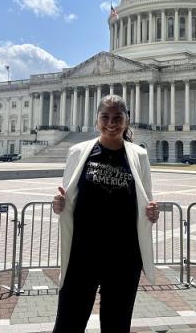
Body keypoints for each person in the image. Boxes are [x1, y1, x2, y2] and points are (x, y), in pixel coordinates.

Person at [52, 94, 159, 333]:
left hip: (124, 254)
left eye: (117, 117)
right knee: (68, 323)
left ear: (127, 120)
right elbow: (66, 196)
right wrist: (57, 204)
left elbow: (146, 200)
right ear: (97, 120)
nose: (111, 122)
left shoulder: (139, 155)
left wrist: (152, 212)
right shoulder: (78, 151)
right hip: (83, 252)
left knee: (117, 325)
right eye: (105, 117)